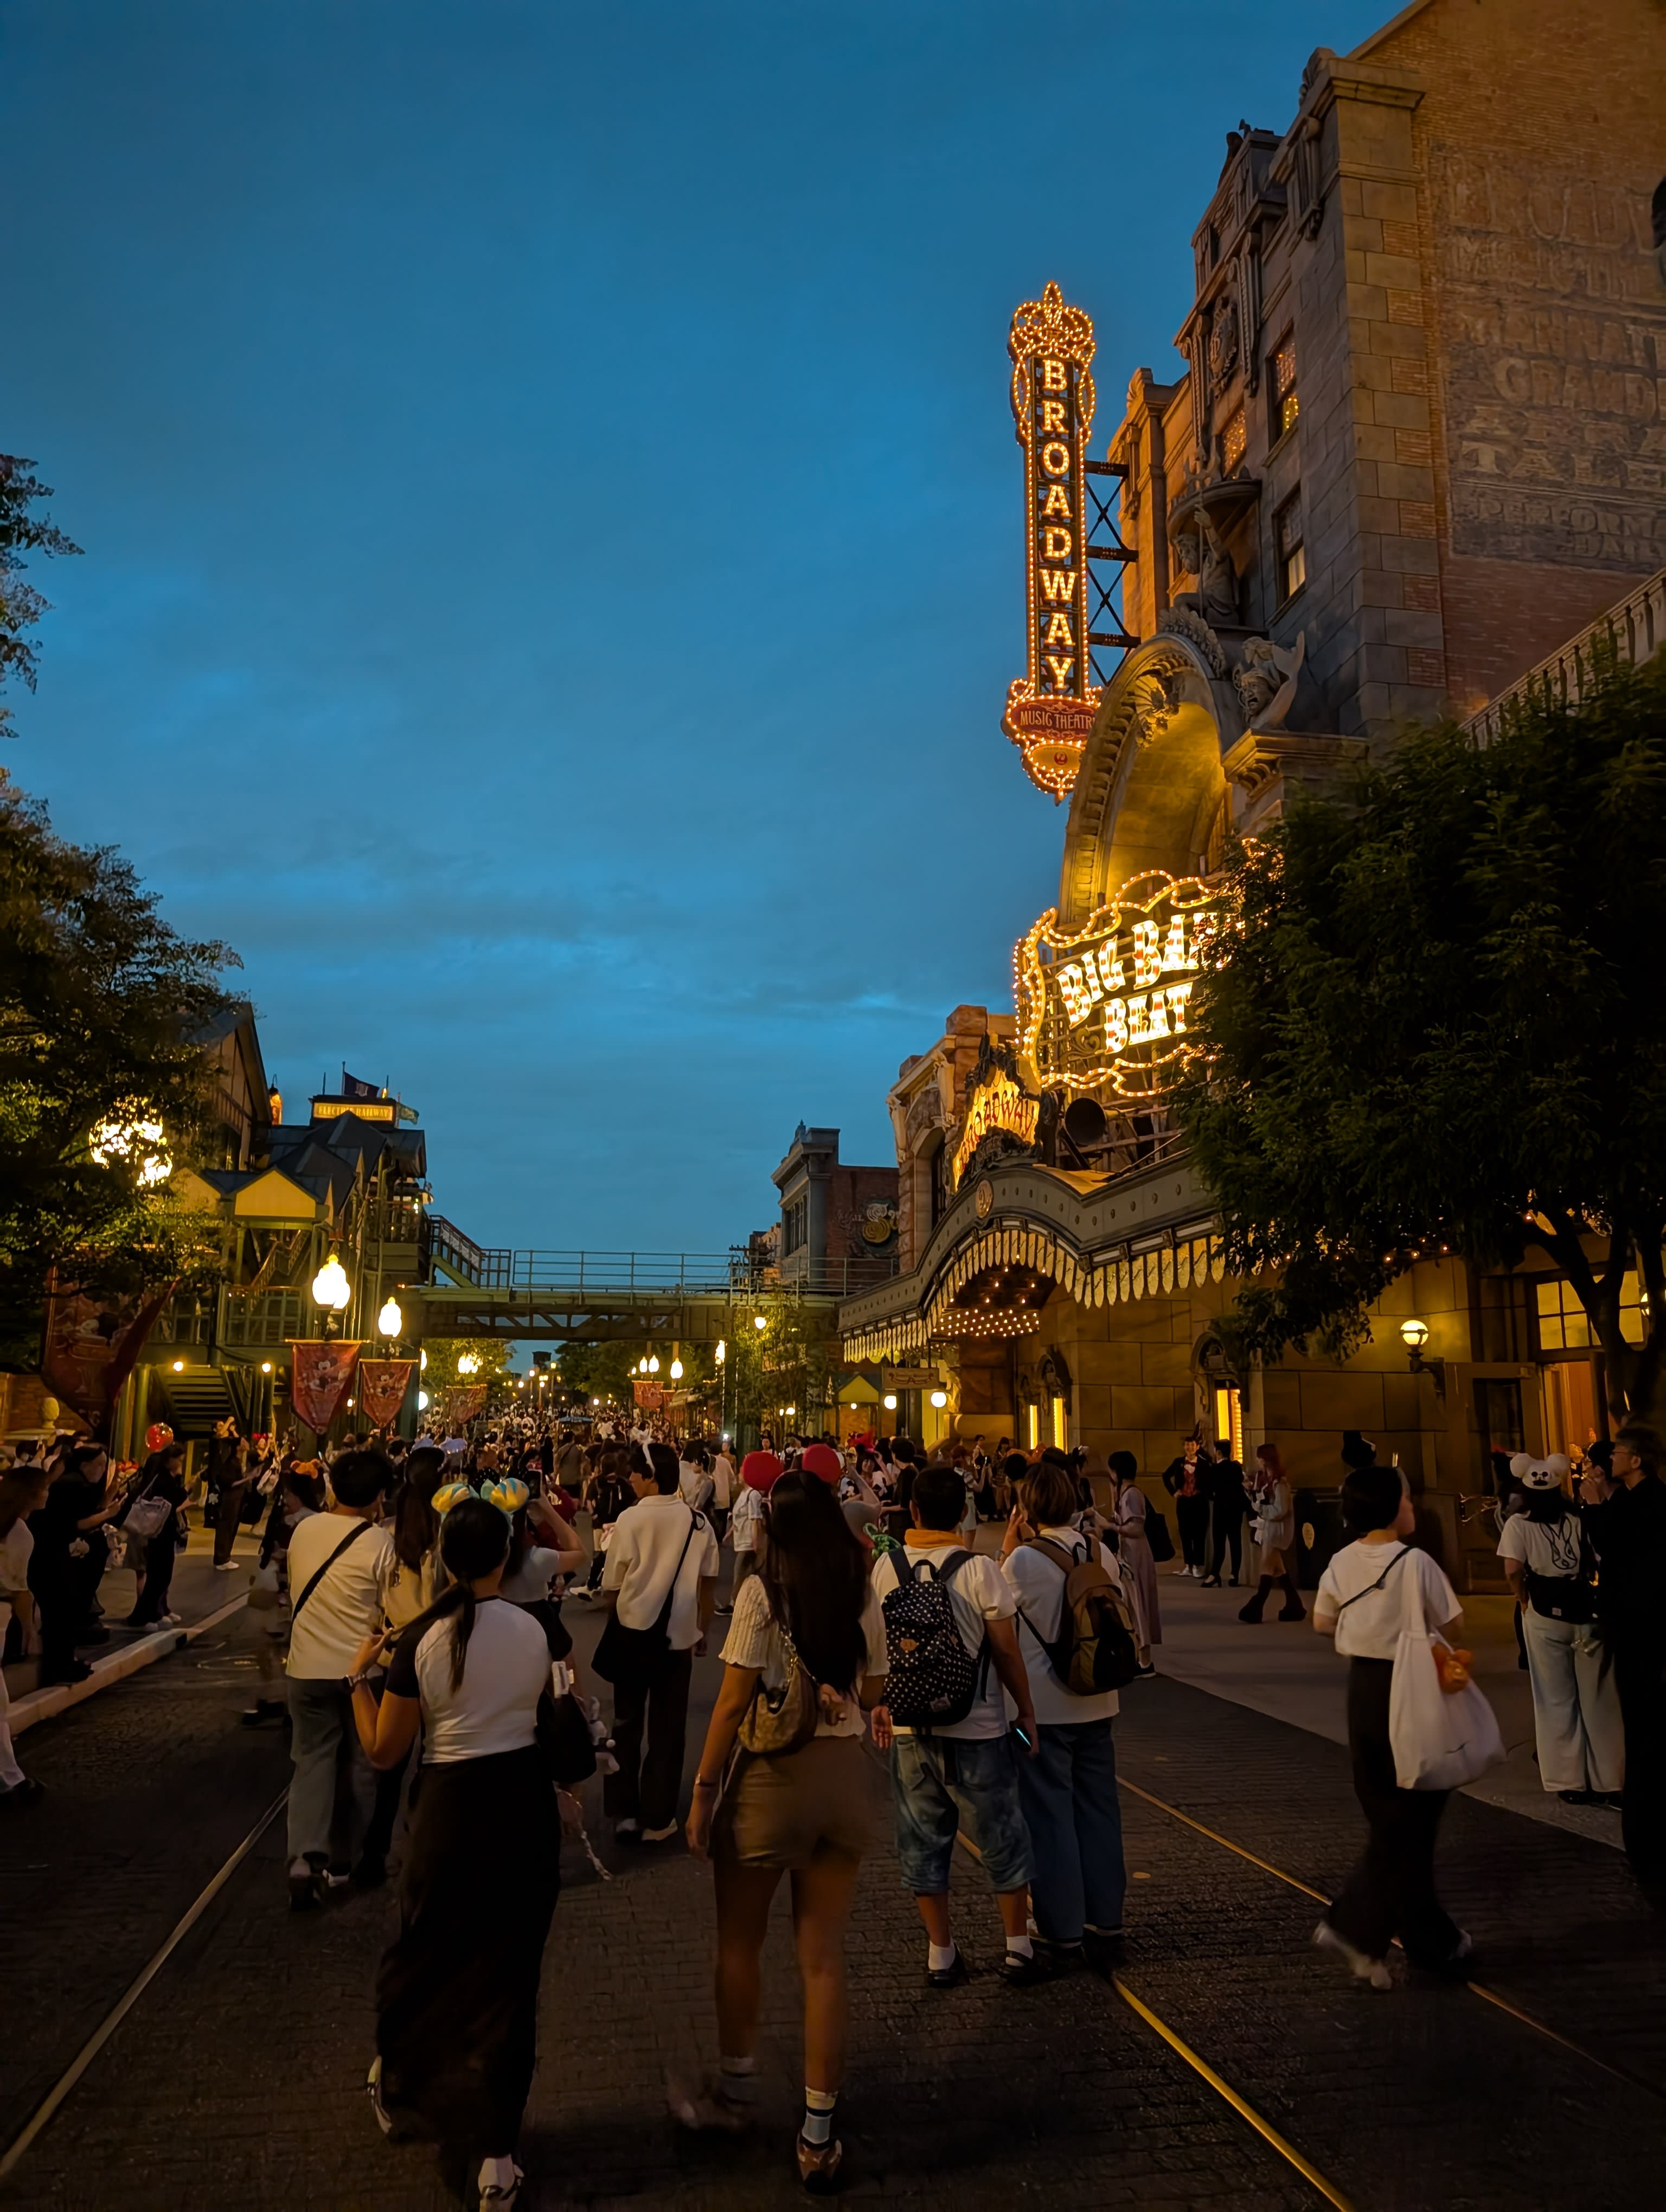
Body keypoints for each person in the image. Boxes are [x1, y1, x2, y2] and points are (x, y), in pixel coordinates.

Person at [675, 1470, 889, 2190]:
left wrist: (704, 1794)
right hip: (844, 1782)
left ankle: (736, 2094)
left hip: (771, 1781)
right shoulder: (862, 1590)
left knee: (739, 1942)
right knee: (823, 1957)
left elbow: (733, 1704)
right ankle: (819, 2134)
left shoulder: (763, 1595)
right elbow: (874, 1687)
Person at [348, 1490, 560, 2211]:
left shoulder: (421, 1643)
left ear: (442, 1558)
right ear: (506, 1555)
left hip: (446, 1811)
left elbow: (383, 1753)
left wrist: (357, 1682)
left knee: (427, 1956)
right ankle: (499, 2155)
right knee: (510, 1983)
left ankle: (407, 2077)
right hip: (521, 1806)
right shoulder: (534, 1633)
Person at [870, 1463, 1045, 1986]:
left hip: (910, 1730)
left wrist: (879, 1704)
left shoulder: (885, 1569)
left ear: (914, 1511)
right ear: (963, 1512)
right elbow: (1007, 1651)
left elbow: (877, 1650)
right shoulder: (979, 1570)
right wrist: (1026, 1711)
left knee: (922, 1840)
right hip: (979, 1725)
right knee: (1003, 1834)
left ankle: (941, 1953)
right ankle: (1018, 1948)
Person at [1311, 1462, 1469, 1985]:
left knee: (1389, 1813)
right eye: (1405, 1499)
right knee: (1415, 1813)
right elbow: (1454, 1623)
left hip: (1365, 1692)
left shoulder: (1340, 1561)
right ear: (1387, 1507)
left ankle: (1428, 1939)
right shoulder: (1416, 1563)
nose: (1412, 1506)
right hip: (1411, 1689)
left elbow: (1323, 1621)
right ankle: (1352, 1924)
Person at [999, 1461, 1128, 1974]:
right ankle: (1106, 1923)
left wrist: (1007, 1549)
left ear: (1027, 1507)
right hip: (1099, 1701)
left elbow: (999, 1623)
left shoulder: (1024, 1561)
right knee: (1099, 1809)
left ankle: (1061, 1929)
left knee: (1048, 1815)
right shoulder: (1103, 1553)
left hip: (1040, 1711)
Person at [283, 1446, 396, 1908]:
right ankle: (348, 1861)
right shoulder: (379, 1543)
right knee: (361, 1766)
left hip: (305, 1667)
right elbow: (394, 1608)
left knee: (312, 1760)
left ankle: (304, 1857)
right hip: (360, 1674)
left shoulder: (304, 1530)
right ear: (379, 1496)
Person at [599, 1443, 720, 1843]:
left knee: (626, 1724)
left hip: (633, 1634)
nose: (629, 1478)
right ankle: (659, 1814)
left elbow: (612, 1584)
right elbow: (707, 1584)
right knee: (668, 1729)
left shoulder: (630, 1520)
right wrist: (701, 1628)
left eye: (634, 1472)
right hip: (678, 1640)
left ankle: (624, 1812)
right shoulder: (699, 1524)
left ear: (651, 1476)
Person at [1499, 1451, 1620, 1805]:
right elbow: (1598, 1557)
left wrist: (1522, 1599)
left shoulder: (1519, 1523)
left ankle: (1568, 1780)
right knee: (1599, 1699)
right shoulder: (1578, 1519)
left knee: (1555, 1699)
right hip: (1583, 1610)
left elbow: (1511, 1569)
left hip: (1543, 1613)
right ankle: (1610, 1779)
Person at [1582, 1424, 1666, 1895]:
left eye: (1616, 1452)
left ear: (1636, 1460)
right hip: (1640, 1626)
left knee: (1642, 1724)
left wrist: (1596, 1505)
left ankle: (1645, 1829)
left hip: (1639, 1629)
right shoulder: (1645, 1501)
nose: (1608, 1457)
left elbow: (1611, 1547)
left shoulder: (1639, 1504)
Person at [27, 1442, 121, 1684]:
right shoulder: (69, 1484)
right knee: (60, 1615)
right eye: (99, 1465)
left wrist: (108, 1498)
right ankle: (59, 1667)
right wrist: (107, 1514)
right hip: (50, 1555)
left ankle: (65, 1664)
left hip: (57, 1553)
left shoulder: (71, 1485)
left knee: (64, 1614)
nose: (102, 1470)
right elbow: (73, 1522)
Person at [0, 1465, 51, 1806]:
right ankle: (9, 1780)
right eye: (45, 1488)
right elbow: (18, 1590)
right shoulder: (19, 1534)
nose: (49, 1494)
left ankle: (10, 1777)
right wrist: (31, 1631)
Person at [121, 1442, 188, 1627]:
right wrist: (188, 1487)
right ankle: (145, 1616)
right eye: (180, 1461)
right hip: (155, 1534)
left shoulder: (166, 1479)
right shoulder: (162, 1480)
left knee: (161, 1576)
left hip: (161, 1534)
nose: (181, 1464)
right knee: (156, 1576)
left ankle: (155, 1612)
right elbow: (174, 1501)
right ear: (170, 1461)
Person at [1239, 1441, 1304, 1623]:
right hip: (1270, 1527)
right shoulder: (1266, 1480)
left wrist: (1260, 1508)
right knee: (1276, 1568)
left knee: (1267, 1566)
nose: (1258, 1461)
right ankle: (1294, 1604)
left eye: (1261, 1458)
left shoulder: (1280, 1484)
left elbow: (1280, 1510)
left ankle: (1257, 1606)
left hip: (1277, 1528)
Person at [1108, 1451, 1160, 1664]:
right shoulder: (1124, 1492)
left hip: (1135, 1554)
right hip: (1129, 1552)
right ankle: (1138, 1656)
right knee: (1131, 1603)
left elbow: (1135, 1528)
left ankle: (1145, 1659)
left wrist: (1110, 1526)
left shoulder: (1132, 1494)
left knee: (1138, 1602)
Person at [723, 1449, 777, 1608]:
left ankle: (735, 1604)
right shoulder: (744, 1493)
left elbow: (755, 1519)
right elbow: (739, 1517)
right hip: (742, 1540)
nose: (739, 1475)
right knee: (747, 1573)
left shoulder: (753, 1495)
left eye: (741, 1472)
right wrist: (729, 1534)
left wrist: (755, 1543)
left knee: (741, 1572)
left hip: (748, 1542)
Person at [1200, 1437, 1247, 1588]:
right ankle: (1234, 1575)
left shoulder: (1214, 1470)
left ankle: (1215, 1574)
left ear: (1218, 1452)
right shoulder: (1236, 1468)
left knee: (1219, 1543)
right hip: (1236, 1510)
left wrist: (1214, 1496)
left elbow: (1208, 1490)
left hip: (1221, 1509)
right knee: (1235, 1542)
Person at [1161, 1436, 1208, 1579]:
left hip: (1199, 1503)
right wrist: (1174, 1492)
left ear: (1197, 1447)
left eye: (1192, 1445)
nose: (1190, 1448)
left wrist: (1203, 1491)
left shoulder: (1204, 1464)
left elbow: (1210, 1481)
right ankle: (1188, 1565)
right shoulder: (1178, 1463)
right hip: (1183, 1502)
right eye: (1187, 1445)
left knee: (1199, 1534)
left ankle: (1198, 1565)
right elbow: (1165, 1476)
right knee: (1185, 1533)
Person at [210, 1418, 252, 1571]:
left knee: (231, 1526)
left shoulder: (232, 1455)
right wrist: (229, 1422)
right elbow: (229, 1482)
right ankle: (221, 1558)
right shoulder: (223, 1452)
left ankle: (225, 1557)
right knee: (226, 1526)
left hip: (235, 1497)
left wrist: (234, 1431)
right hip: (228, 1497)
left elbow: (240, 1442)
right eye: (220, 1426)